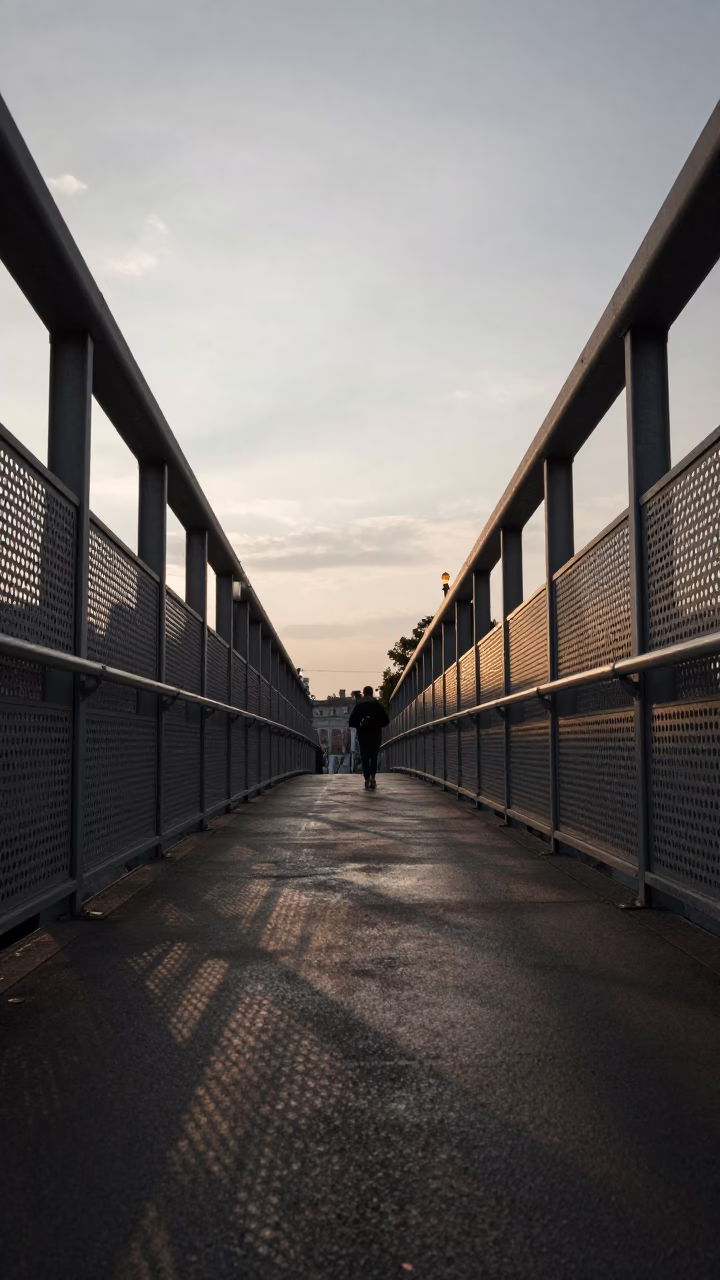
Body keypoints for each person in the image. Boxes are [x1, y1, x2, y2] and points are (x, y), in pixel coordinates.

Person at [348, 685, 389, 790]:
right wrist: (376, 722)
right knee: (374, 756)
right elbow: (386, 722)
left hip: (363, 735)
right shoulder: (378, 706)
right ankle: (373, 777)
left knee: (365, 757)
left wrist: (361, 723)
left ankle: (367, 779)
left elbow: (351, 722)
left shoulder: (359, 707)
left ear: (363, 694)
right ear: (372, 694)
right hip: (375, 735)